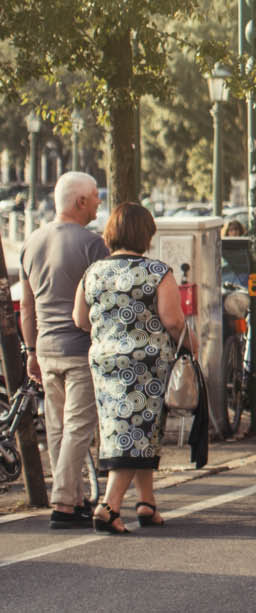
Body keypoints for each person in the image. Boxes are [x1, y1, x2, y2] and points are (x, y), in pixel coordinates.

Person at [73, 203, 190, 534]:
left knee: (123, 431)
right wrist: (192, 346)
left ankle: (147, 503)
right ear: (146, 235)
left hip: (105, 363)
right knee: (136, 434)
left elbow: (79, 319)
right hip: (146, 366)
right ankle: (109, 507)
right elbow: (172, 320)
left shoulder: (93, 272)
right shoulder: (156, 272)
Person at [20, 171, 107, 529]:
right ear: (80, 202)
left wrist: (30, 351)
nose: (99, 204)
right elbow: (101, 301)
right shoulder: (92, 245)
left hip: (45, 347)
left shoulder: (31, 242)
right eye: (95, 199)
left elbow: (26, 306)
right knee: (78, 428)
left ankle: (72, 500)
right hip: (80, 347)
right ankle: (63, 503)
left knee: (56, 428)